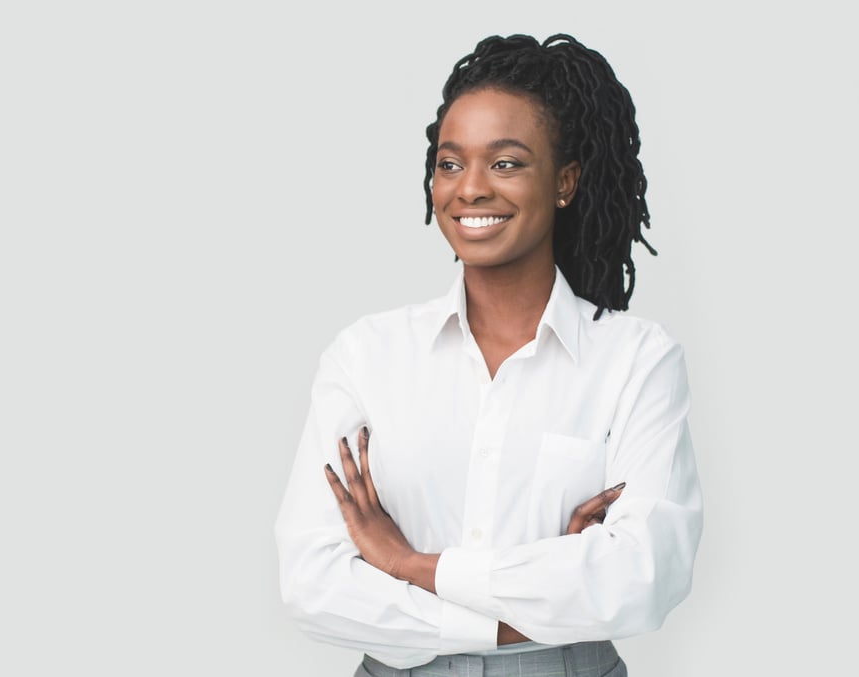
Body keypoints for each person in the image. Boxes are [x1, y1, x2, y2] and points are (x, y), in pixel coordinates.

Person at [274, 33, 703, 677]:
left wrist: (409, 565)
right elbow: (311, 583)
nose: (470, 188)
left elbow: (642, 576)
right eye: (451, 164)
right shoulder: (366, 356)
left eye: (505, 163)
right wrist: (533, 595)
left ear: (565, 181)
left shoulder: (636, 362)